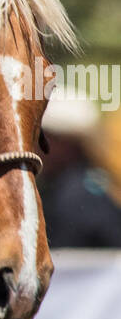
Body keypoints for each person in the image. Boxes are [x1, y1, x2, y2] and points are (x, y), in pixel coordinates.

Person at [39, 94, 121, 248]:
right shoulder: (94, 183)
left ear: (67, 143)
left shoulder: (73, 195)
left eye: (43, 137)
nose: (36, 146)